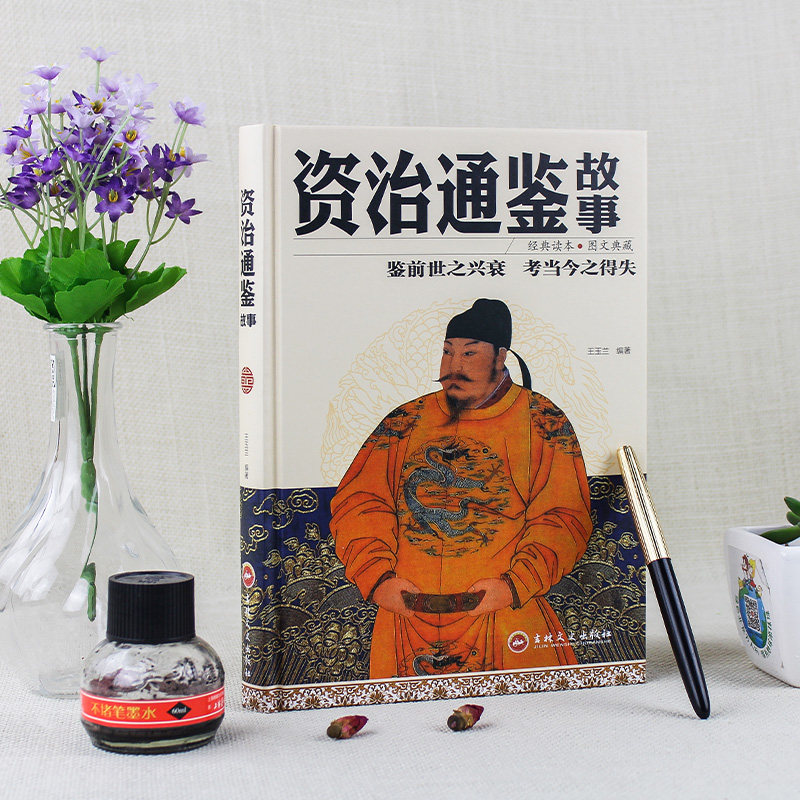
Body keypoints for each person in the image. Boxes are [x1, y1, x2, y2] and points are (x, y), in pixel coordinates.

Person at [329, 299, 592, 678]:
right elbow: (360, 502)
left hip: (503, 613)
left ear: (500, 356)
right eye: (447, 352)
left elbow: (563, 515)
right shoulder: (406, 419)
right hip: (406, 615)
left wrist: (516, 585)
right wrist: (377, 578)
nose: (454, 366)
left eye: (469, 353)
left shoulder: (541, 419)